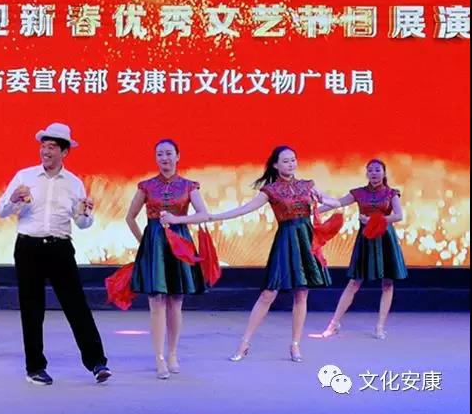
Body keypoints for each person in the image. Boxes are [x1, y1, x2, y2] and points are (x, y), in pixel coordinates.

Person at [0, 122, 111, 385]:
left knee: (76, 305)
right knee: (32, 309)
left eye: (52, 147)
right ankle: (35, 368)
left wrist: (86, 213)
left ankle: (97, 362)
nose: (45, 151)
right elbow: (1, 211)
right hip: (28, 247)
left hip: (60, 247)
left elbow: (82, 223)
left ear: (64, 152)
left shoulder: (74, 183)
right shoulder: (24, 176)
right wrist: (14, 199)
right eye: (43, 146)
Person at [211, 145, 332, 362]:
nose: (291, 164)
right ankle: (244, 343)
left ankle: (295, 345)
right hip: (286, 241)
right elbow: (244, 209)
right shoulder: (271, 190)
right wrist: (214, 217)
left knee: (302, 293)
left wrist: (321, 200)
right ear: (275, 165)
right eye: (285, 161)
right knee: (268, 293)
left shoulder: (307, 185)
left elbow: (335, 203)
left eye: (293, 160)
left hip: (306, 240)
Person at [125, 139, 212, 379]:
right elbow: (130, 217)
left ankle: (172, 353)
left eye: (169, 153)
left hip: (180, 244)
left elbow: (203, 214)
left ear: (178, 156)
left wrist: (177, 220)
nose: (164, 158)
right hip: (155, 245)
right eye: (160, 154)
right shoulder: (146, 186)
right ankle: (159, 357)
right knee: (156, 301)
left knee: (175, 301)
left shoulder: (189, 186)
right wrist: (145, 242)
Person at [314, 158, 408, 340]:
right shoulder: (359, 193)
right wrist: (315, 209)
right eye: (370, 170)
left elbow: (398, 216)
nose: (374, 173)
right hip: (366, 240)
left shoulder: (391, 194)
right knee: (354, 282)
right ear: (366, 173)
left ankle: (380, 326)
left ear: (384, 173)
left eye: (377, 170)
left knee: (388, 283)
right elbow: (338, 203)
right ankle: (334, 324)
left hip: (385, 240)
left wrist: (374, 220)